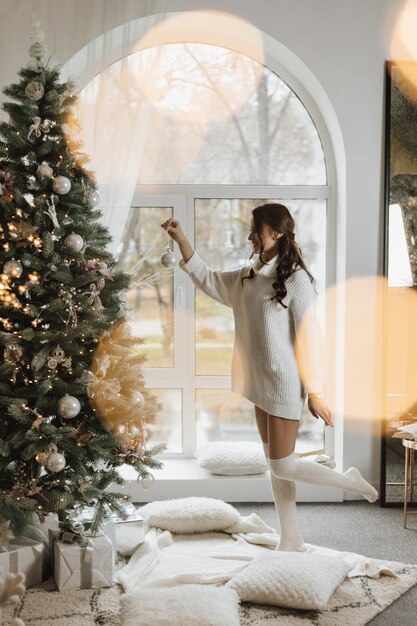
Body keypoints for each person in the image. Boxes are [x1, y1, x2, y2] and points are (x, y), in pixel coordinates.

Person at [161, 203, 378, 551]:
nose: (250, 236)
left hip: (284, 383)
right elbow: (210, 278)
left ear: (276, 233)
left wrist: (316, 391)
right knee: (277, 467)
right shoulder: (249, 273)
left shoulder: (297, 280)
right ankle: (291, 537)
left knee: (284, 463)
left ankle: (348, 481)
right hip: (260, 382)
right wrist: (182, 239)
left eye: (256, 230)